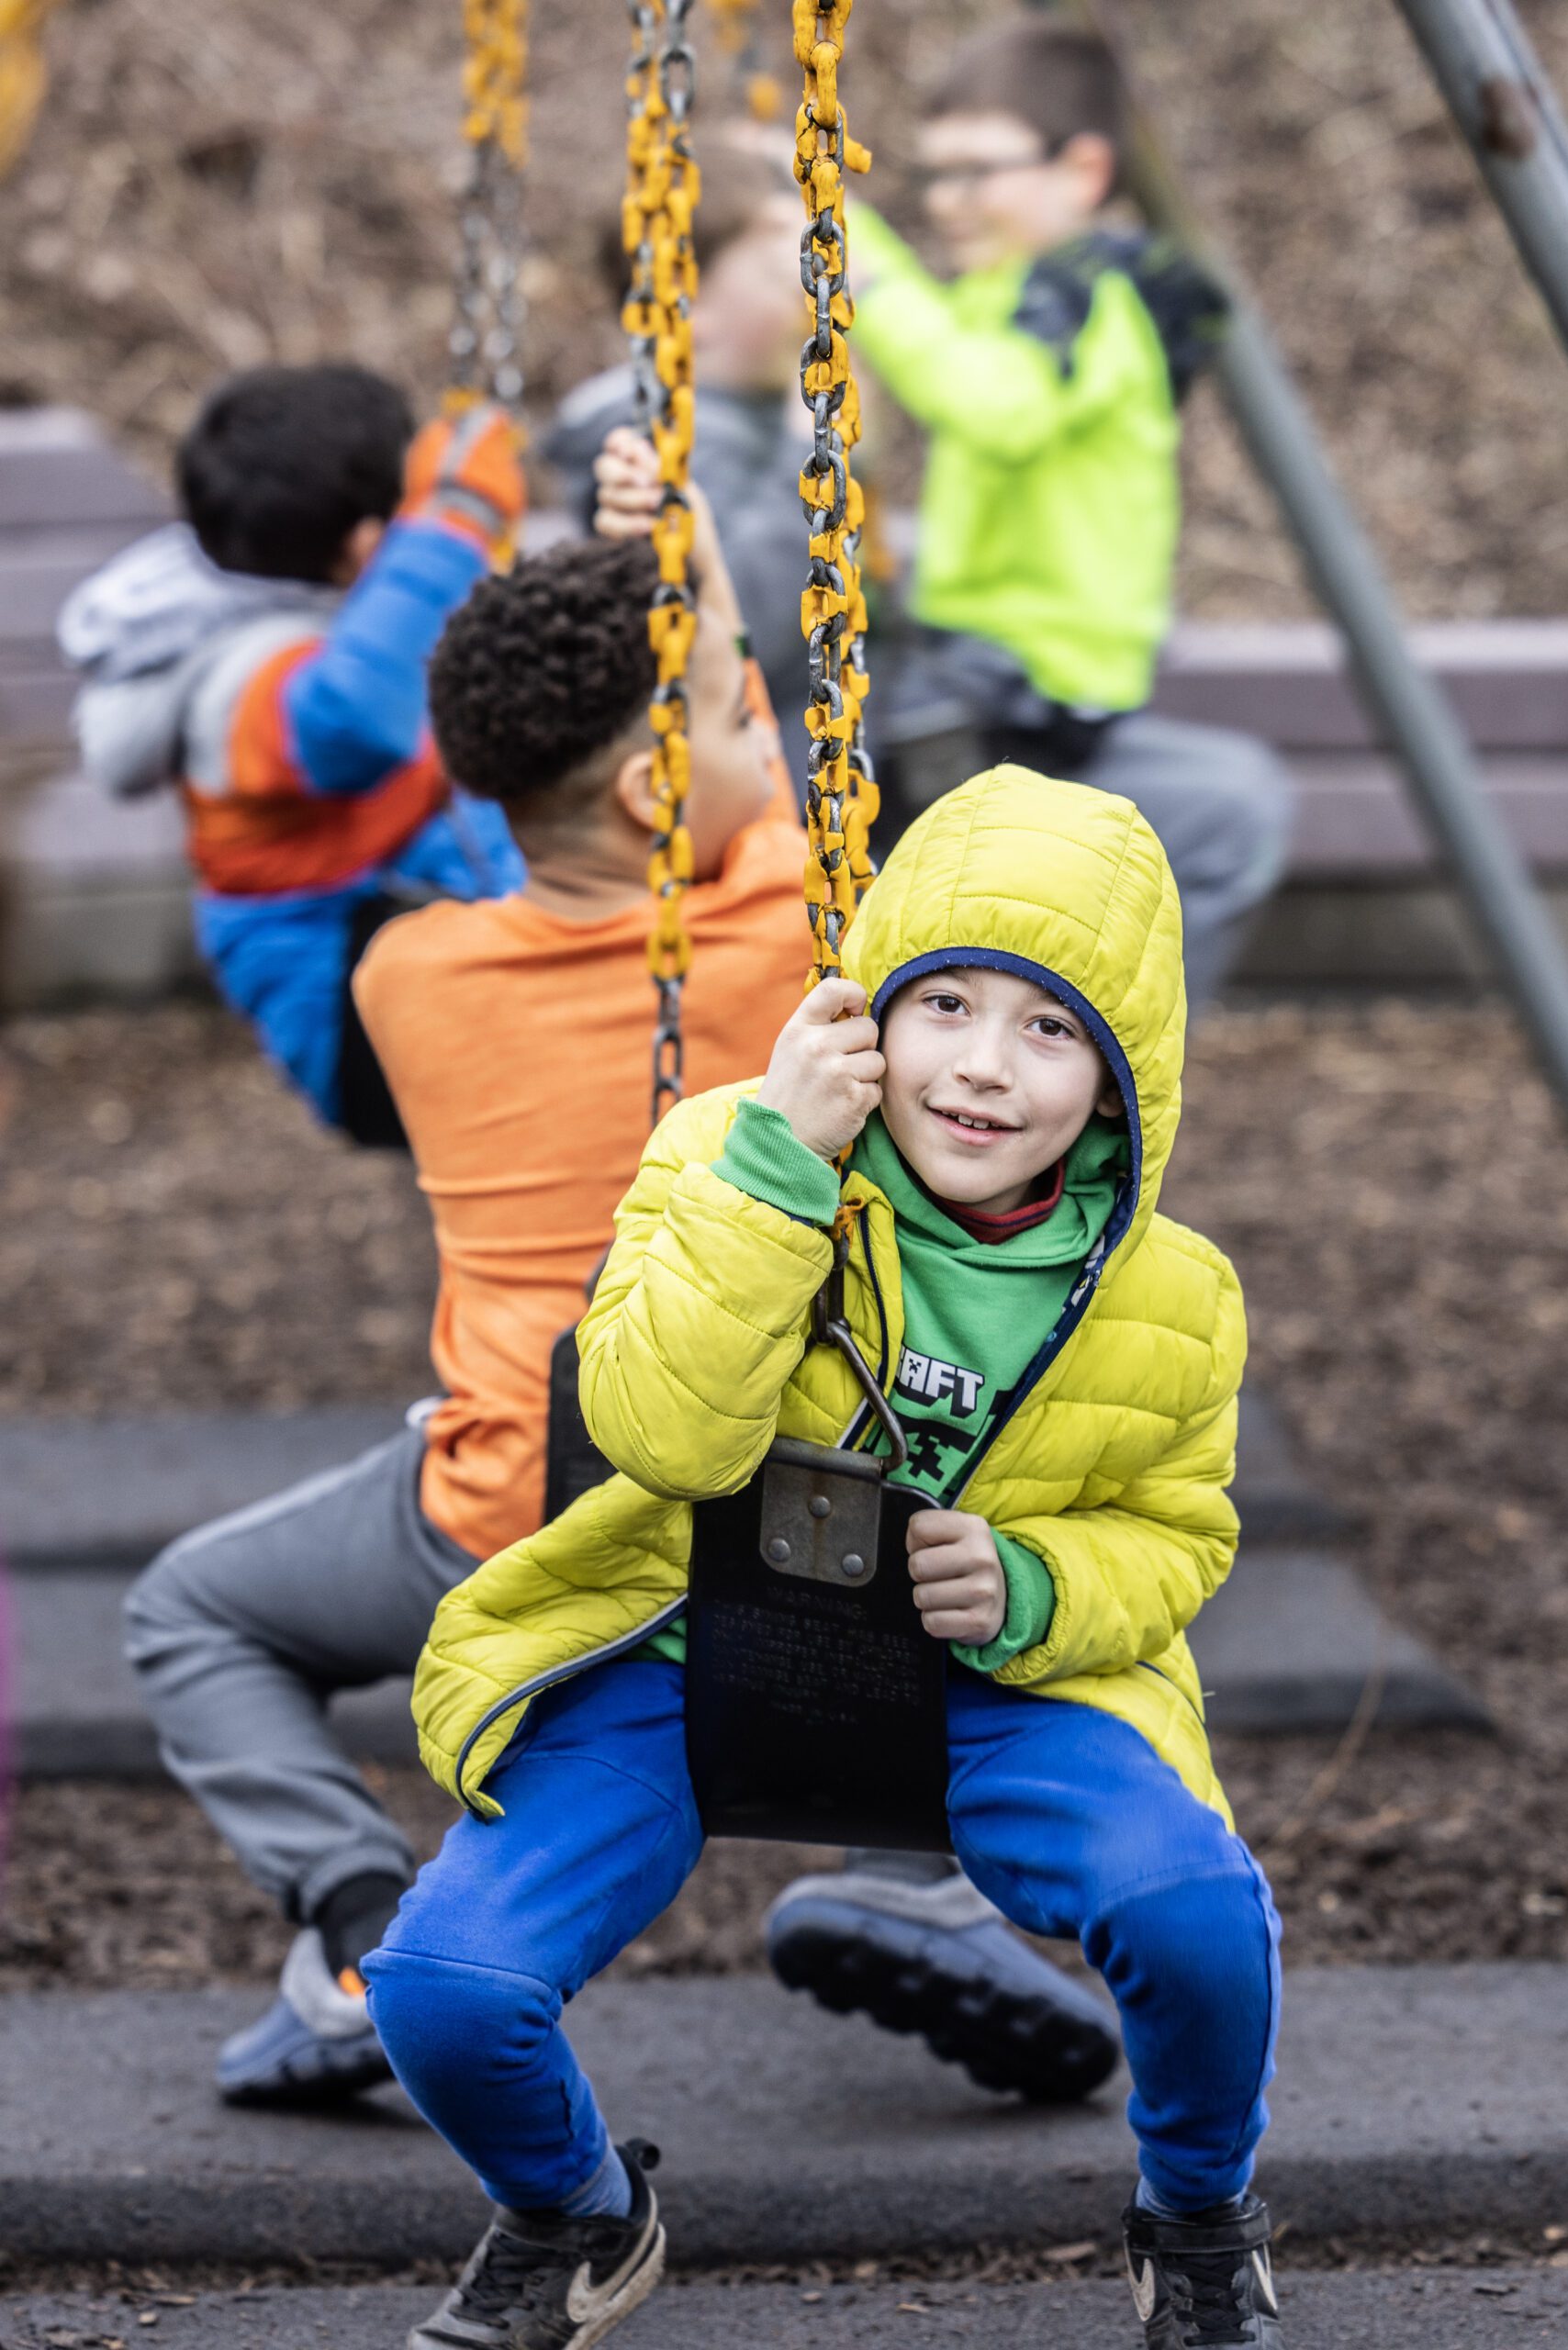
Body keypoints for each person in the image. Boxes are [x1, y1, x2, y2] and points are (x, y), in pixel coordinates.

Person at [123, 518, 1114, 2116]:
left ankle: (363, 1927)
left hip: (502, 1514)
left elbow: (615, 803)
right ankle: (916, 1865)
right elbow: (789, 810)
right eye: (741, 714)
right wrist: (697, 556)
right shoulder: (814, 947)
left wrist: (670, 620)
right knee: (966, 1535)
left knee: (193, 1617)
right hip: (779, 1528)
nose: (769, 739)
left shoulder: (410, 979)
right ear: (668, 788)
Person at [368, 767, 1286, 2350]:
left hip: (989, 1687)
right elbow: (658, 1431)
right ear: (869, 1012)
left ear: (1126, 1074)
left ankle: (1198, 2212)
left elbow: (1174, 1532)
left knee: (1200, 1916)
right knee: (443, 1987)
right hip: (679, 1647)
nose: (985, 1069)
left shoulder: (1175, 1294)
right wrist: (782, 1173)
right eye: (946, 1007)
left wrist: (1039, 1586)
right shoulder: (729, 1152)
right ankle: (576, 2215)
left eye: (1051, 1029)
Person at [849, 17, 1292, 1009]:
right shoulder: (1001, 297)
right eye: (933, 175)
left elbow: (995, 408)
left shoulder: (1084, 299)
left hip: (1033, 691)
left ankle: (1106, 1057)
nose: (946, 202)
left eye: (976, 171)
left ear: (1081, 170)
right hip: (984, 676)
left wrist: (853, 258)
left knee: (1223, 820)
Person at [58, 365, 529, 1136]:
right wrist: (451, 525)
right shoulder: (234, 682)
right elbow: (351, 724)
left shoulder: (267, 587)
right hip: (355, 1024)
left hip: (416, 952)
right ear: (368, 542)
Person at [539, 141, 819, 786]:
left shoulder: (756, 412)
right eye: (782, 273)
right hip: (760, 791)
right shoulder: (662, 444)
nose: (813, 288)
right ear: (689, 310)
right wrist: (807, 456)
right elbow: (750, 624)